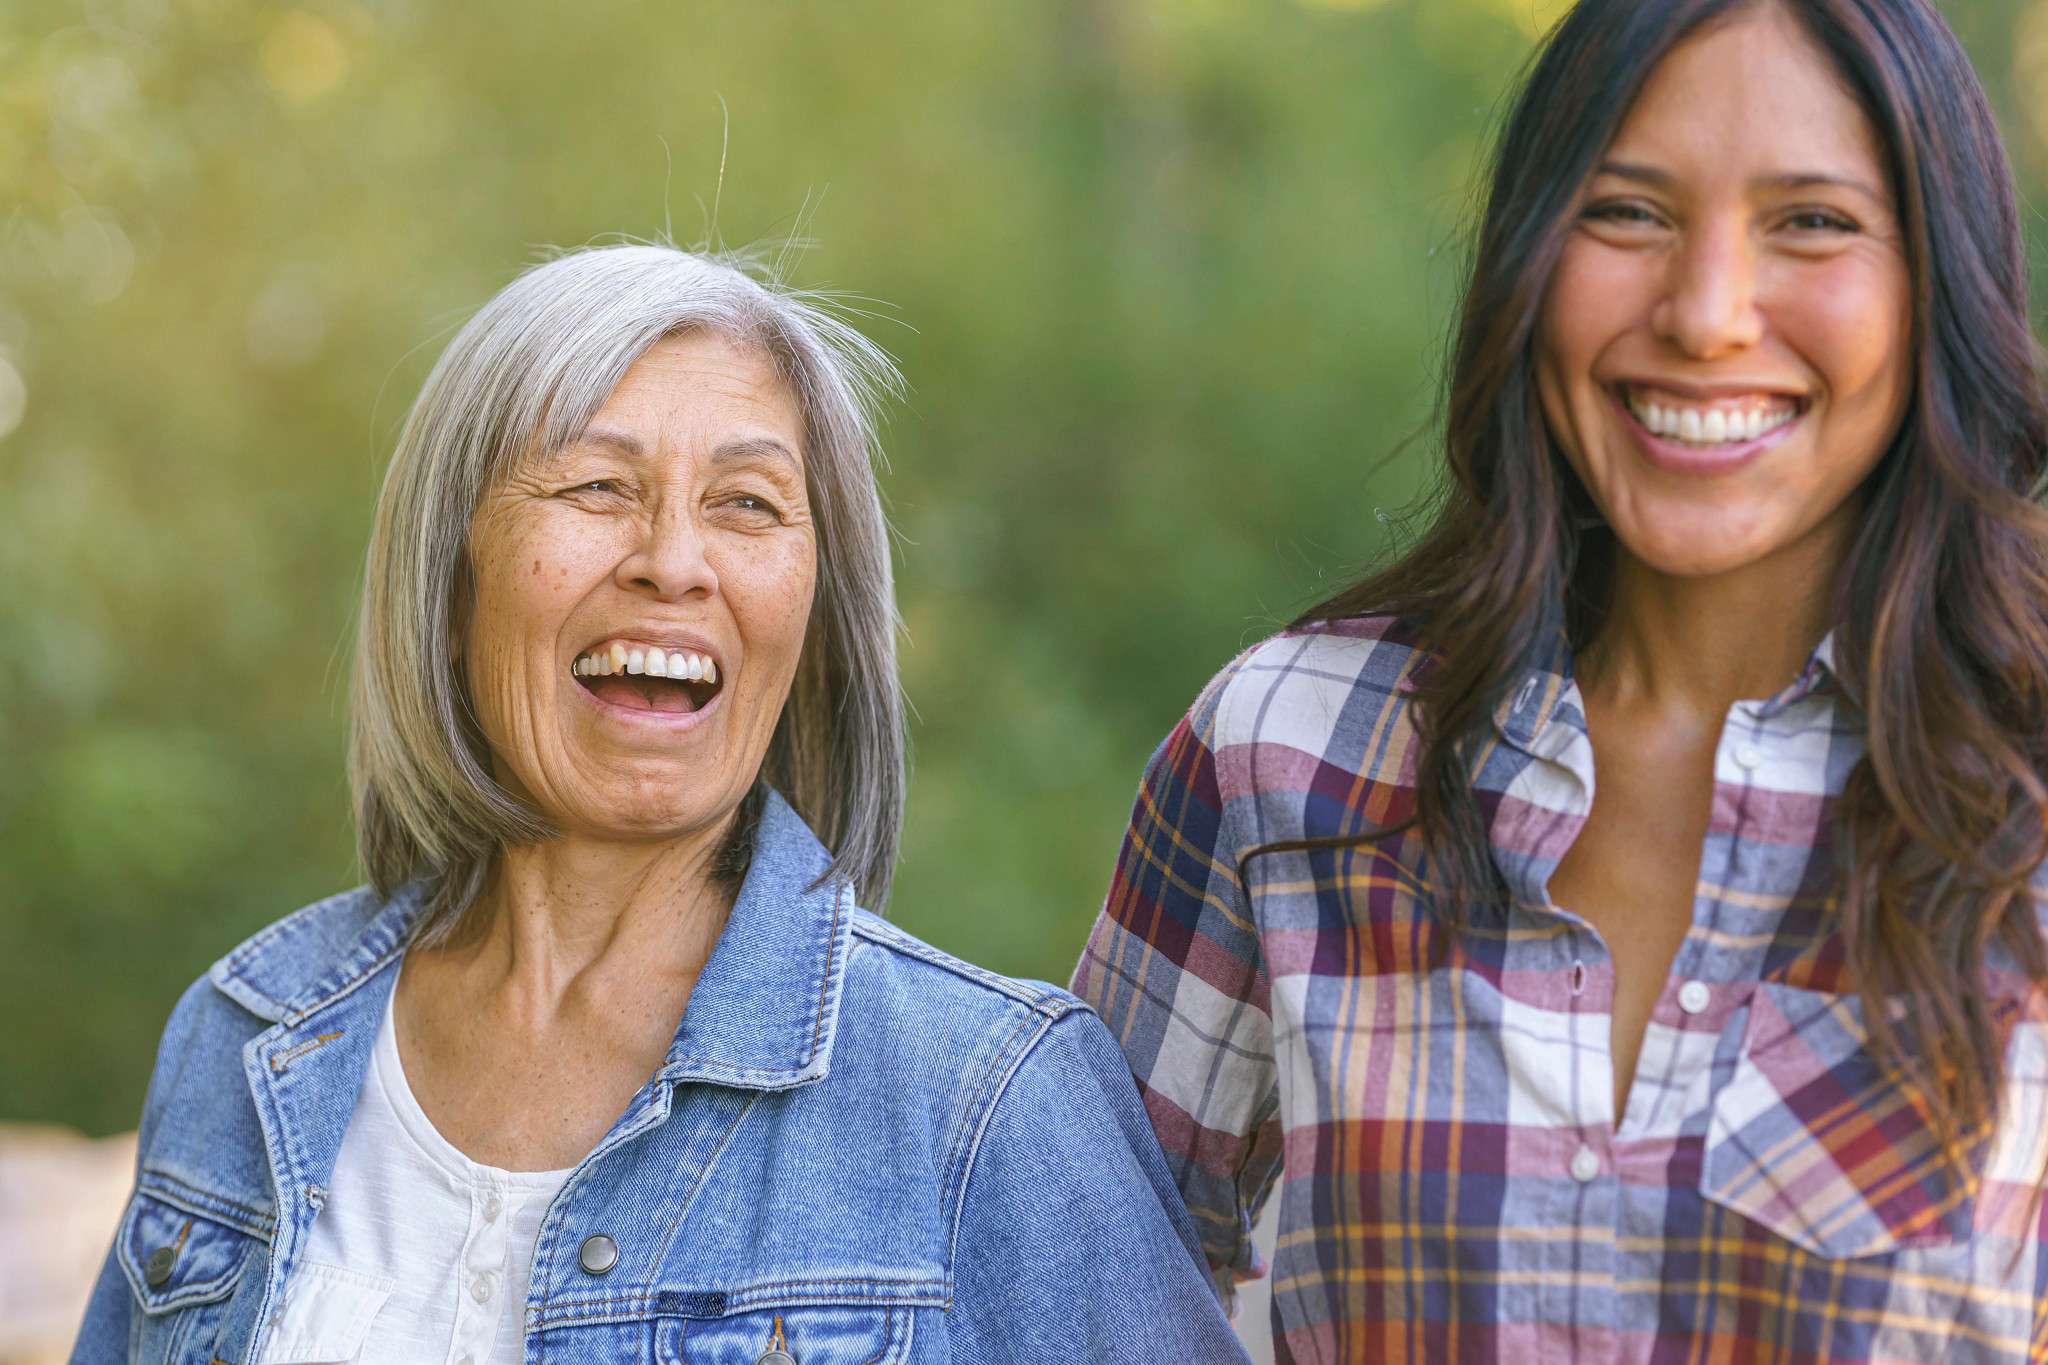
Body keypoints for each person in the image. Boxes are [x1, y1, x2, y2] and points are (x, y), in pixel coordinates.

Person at [1074, 1, 2048, 1360]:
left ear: (1939, 277)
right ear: (1529, 258)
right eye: (1629, 212)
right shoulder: (1285, 755)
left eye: (1812, 222)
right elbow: (1063, 1302)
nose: (1707, 315)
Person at [72, 245, 1247, 1365]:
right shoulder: (243, 1036)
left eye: (746, 505)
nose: (672, 561)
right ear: (449, 574)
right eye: (595, 485)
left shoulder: (987, 1102)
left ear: (814, 611)